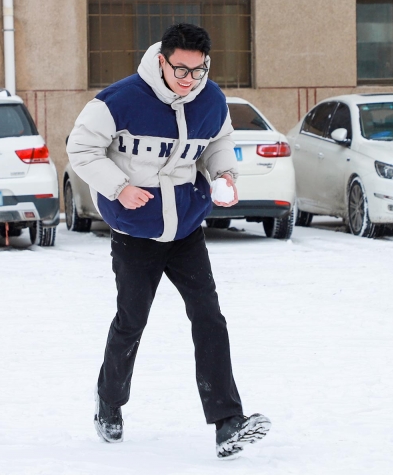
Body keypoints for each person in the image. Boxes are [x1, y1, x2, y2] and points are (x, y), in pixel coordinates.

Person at [67, 23, 270, 458]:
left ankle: (227, 422)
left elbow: (219, 141)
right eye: (181, 69)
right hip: (135, 231)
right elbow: (80, 149)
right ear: (161, 59)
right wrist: (119, 186)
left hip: (187, 230)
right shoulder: (116, 101)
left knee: (209, 317)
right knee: (132, 322)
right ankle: (110, 402)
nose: (189, 79)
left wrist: (225, 175)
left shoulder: (211, 99)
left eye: (198, 71)